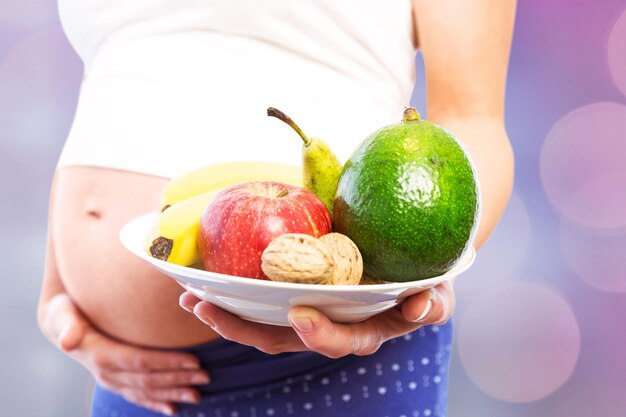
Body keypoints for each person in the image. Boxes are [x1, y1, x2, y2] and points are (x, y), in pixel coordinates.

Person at [38, 0, 516, 416]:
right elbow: (113, 77)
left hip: (332, 363)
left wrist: (430, 278)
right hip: (132, 379)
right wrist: (59, 291)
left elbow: (472, 118)